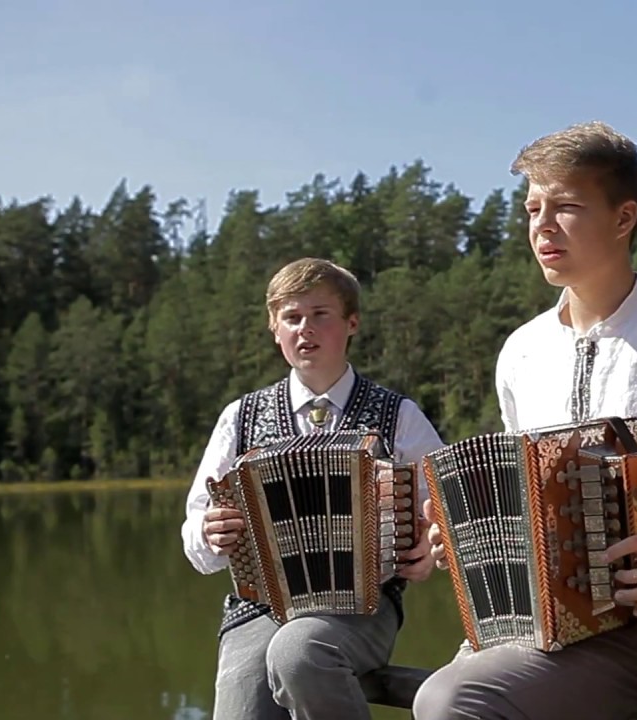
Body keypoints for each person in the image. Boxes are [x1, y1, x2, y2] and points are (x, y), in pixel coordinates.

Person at [410, 121, 637, 720]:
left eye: (566, 206)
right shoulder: (520, 352)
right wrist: (463, 532)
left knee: (449, 700)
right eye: (532, 208)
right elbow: (521, 505)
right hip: (526, 629)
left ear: (624, 218)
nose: (542, 225)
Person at [180, 257, 445, 720]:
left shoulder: (398, 416)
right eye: (292, 317)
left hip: (365, 606)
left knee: (299, 649)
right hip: (257, 609)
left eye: (321, 314)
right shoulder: (239, 418)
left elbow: (451, 513)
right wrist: (209, 532)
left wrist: (430, 550)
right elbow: (196, 530)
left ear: (352, 323)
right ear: (274, 328)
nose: (306, 329)